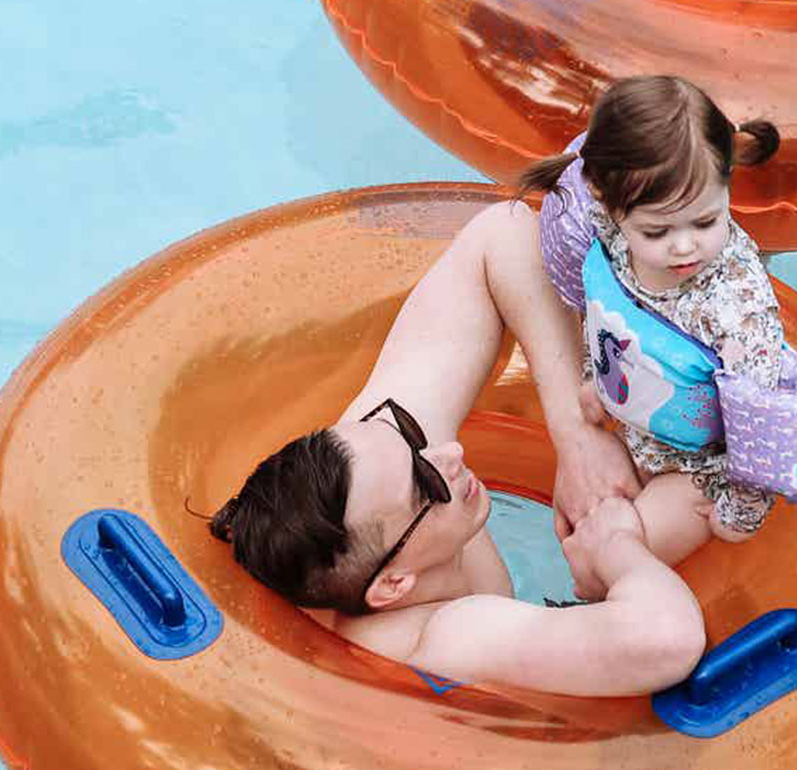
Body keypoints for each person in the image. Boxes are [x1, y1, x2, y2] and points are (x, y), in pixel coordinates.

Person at [207, 199, 703, 696]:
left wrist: (576, 437)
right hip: (485, 748)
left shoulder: (372, 472)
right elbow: (665, 640)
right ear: (394, 584)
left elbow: (502, 232)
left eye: (410, 436)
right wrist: (617, 549)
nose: (450, 455)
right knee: (710, 490)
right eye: (424, 483)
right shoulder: (443, 635)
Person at [516, 77, 797, 565]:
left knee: (611, 558)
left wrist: (739, 513)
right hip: (636, 419)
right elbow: (604, 311)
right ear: (604, 199)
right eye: (657, 230)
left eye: (705, 221)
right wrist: (596, 379)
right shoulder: (602, 223)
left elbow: (757, 422)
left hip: (698, 470)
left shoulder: (737, 312)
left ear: (726, 187)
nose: (684, 246)